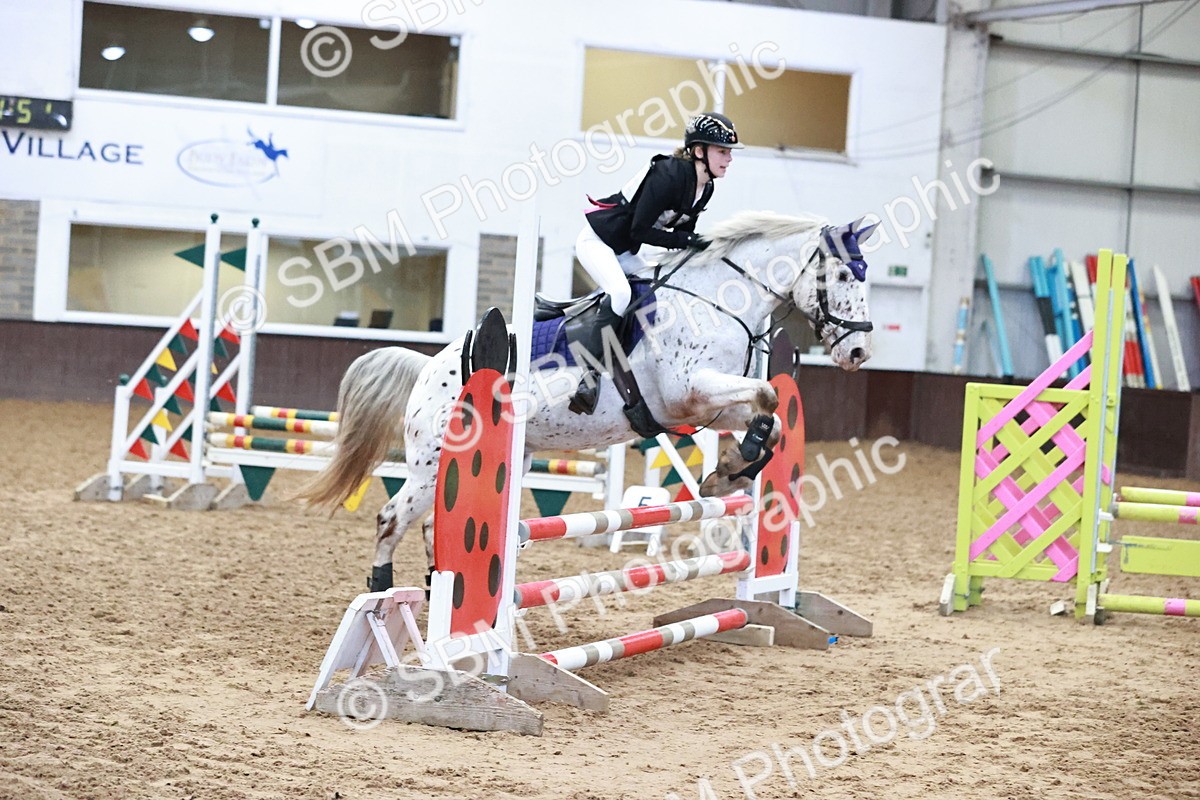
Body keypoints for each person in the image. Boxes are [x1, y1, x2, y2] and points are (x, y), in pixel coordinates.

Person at [569, 111, 742, 413]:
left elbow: (681, 237)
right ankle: (588, 376)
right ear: (699, 151)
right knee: (620, 293)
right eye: (722, 151)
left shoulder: (705, 188)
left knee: (660, 290)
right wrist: (689, 242)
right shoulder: (669, 175)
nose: (729, 159)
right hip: (598, 241)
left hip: (625, 250)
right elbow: (640, 229)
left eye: (729, 153)